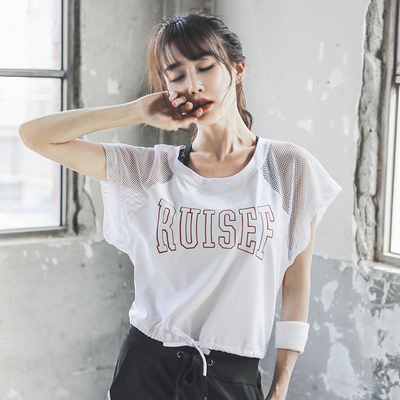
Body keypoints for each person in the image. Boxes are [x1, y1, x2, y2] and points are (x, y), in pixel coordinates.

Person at [19, 11, 341, 400]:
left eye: (205, 67)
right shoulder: (151, 170)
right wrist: (136, 110)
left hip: (233, 377)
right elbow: (35, 135)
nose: (193, 85)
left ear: (237, 70)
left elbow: (296, 282)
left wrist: (281, 385)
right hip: (146, 368)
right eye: (176, 75)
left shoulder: (287, 168)